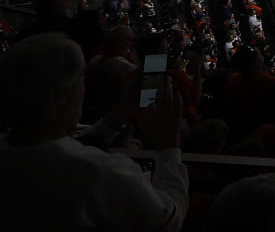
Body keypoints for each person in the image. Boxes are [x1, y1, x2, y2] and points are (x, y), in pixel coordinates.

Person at [0, 32, 189, 231]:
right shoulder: (103, 173)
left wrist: (121, 113)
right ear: (62, 96)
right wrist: (169, 146)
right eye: (82, 77)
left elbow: (62, 147)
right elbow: (169, 220)